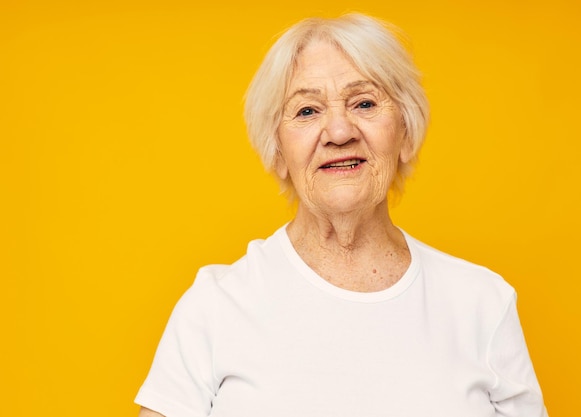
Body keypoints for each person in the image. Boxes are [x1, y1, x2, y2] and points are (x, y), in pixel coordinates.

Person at [135, 12, 548, 417]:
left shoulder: (483, 303)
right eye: (307, 111)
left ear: (405, 133)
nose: (339, 132)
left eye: (364, 103)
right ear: (277, 151)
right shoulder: (215, 306)